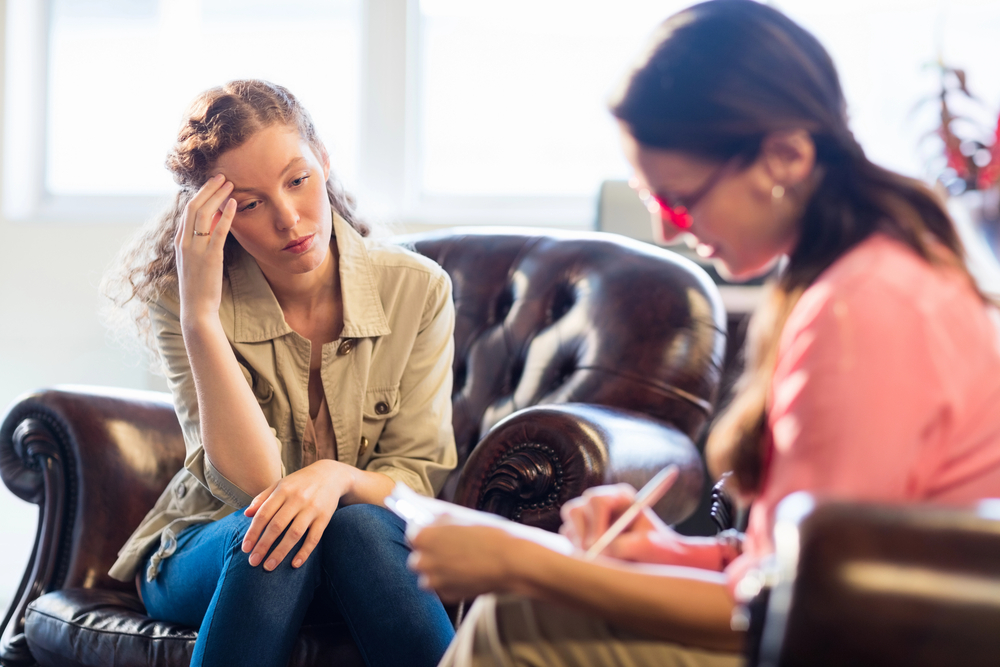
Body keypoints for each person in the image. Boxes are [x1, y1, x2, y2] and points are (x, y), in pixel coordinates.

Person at [406, 1, 1000, 665]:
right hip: (852, 620)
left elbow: (798, 607)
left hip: (882, 642)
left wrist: (524, 559)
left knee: (517, 615)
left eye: (678, 198)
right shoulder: (860, 275)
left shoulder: (864, 310)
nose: (667, 230)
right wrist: (669, 550)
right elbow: (790, 557)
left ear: (784, 156)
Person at [103, 80, 457, 667]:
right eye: (249, 203)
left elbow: (416, 482)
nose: (290, 219)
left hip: (364, 552)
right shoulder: (184, 303)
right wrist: (201, 318)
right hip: (208, 546)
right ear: (214, 215)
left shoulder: (418, 289)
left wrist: (333, 478)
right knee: (271, 535)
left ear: (324, 162)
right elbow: (254, 487)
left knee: (361, 528)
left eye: (298, 180)